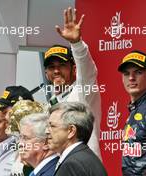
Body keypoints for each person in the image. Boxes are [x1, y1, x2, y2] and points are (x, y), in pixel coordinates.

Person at [43, 7, 102, 159]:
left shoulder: (82, 91)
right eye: (51, 67)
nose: (56, 71)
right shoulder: (51, 103)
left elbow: (88, 70)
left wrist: (77, 44)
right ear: (46, 74)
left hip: (84, 169)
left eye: (61, 65)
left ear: (73, 68)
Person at [45, 102, 107, 176]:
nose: (46, 131)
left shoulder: (72, 164)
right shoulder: (83, 157)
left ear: (71, 131)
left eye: (52, 126)